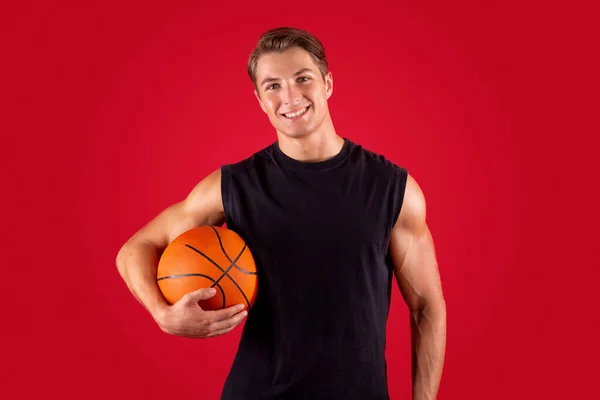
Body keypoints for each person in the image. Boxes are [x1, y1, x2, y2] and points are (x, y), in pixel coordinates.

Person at [116, 26, 447, 399]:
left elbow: (426, 307)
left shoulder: (393, 189)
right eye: (273, 85)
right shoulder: (231, 187)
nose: (290, 96)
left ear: (328, 83)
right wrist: (162, 313)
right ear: (259, 99)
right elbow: (135, 248)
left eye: (302, 79)